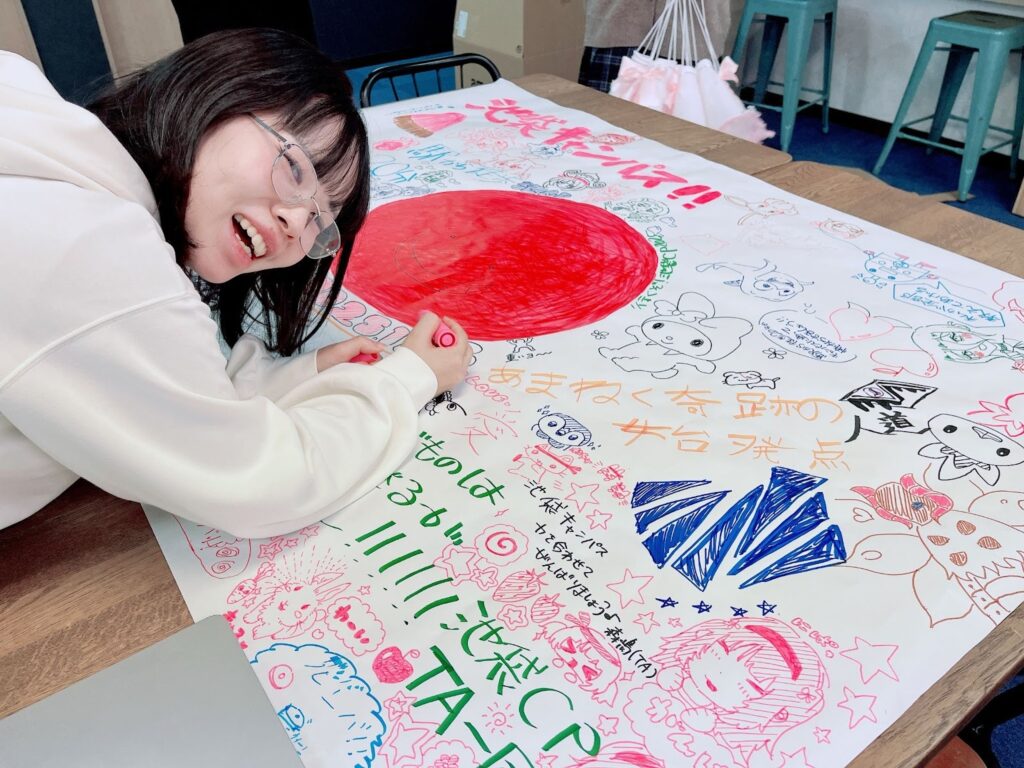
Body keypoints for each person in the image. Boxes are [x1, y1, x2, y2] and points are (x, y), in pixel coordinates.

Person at [0, 28, 472, 538]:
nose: (296, 221)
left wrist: (299, 375)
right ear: (216, 94)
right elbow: (264, 484)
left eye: (320, 222)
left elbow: (153, 371)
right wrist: (407, 379)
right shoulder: (94, 249)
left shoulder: (31, 105)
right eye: (295, 168)